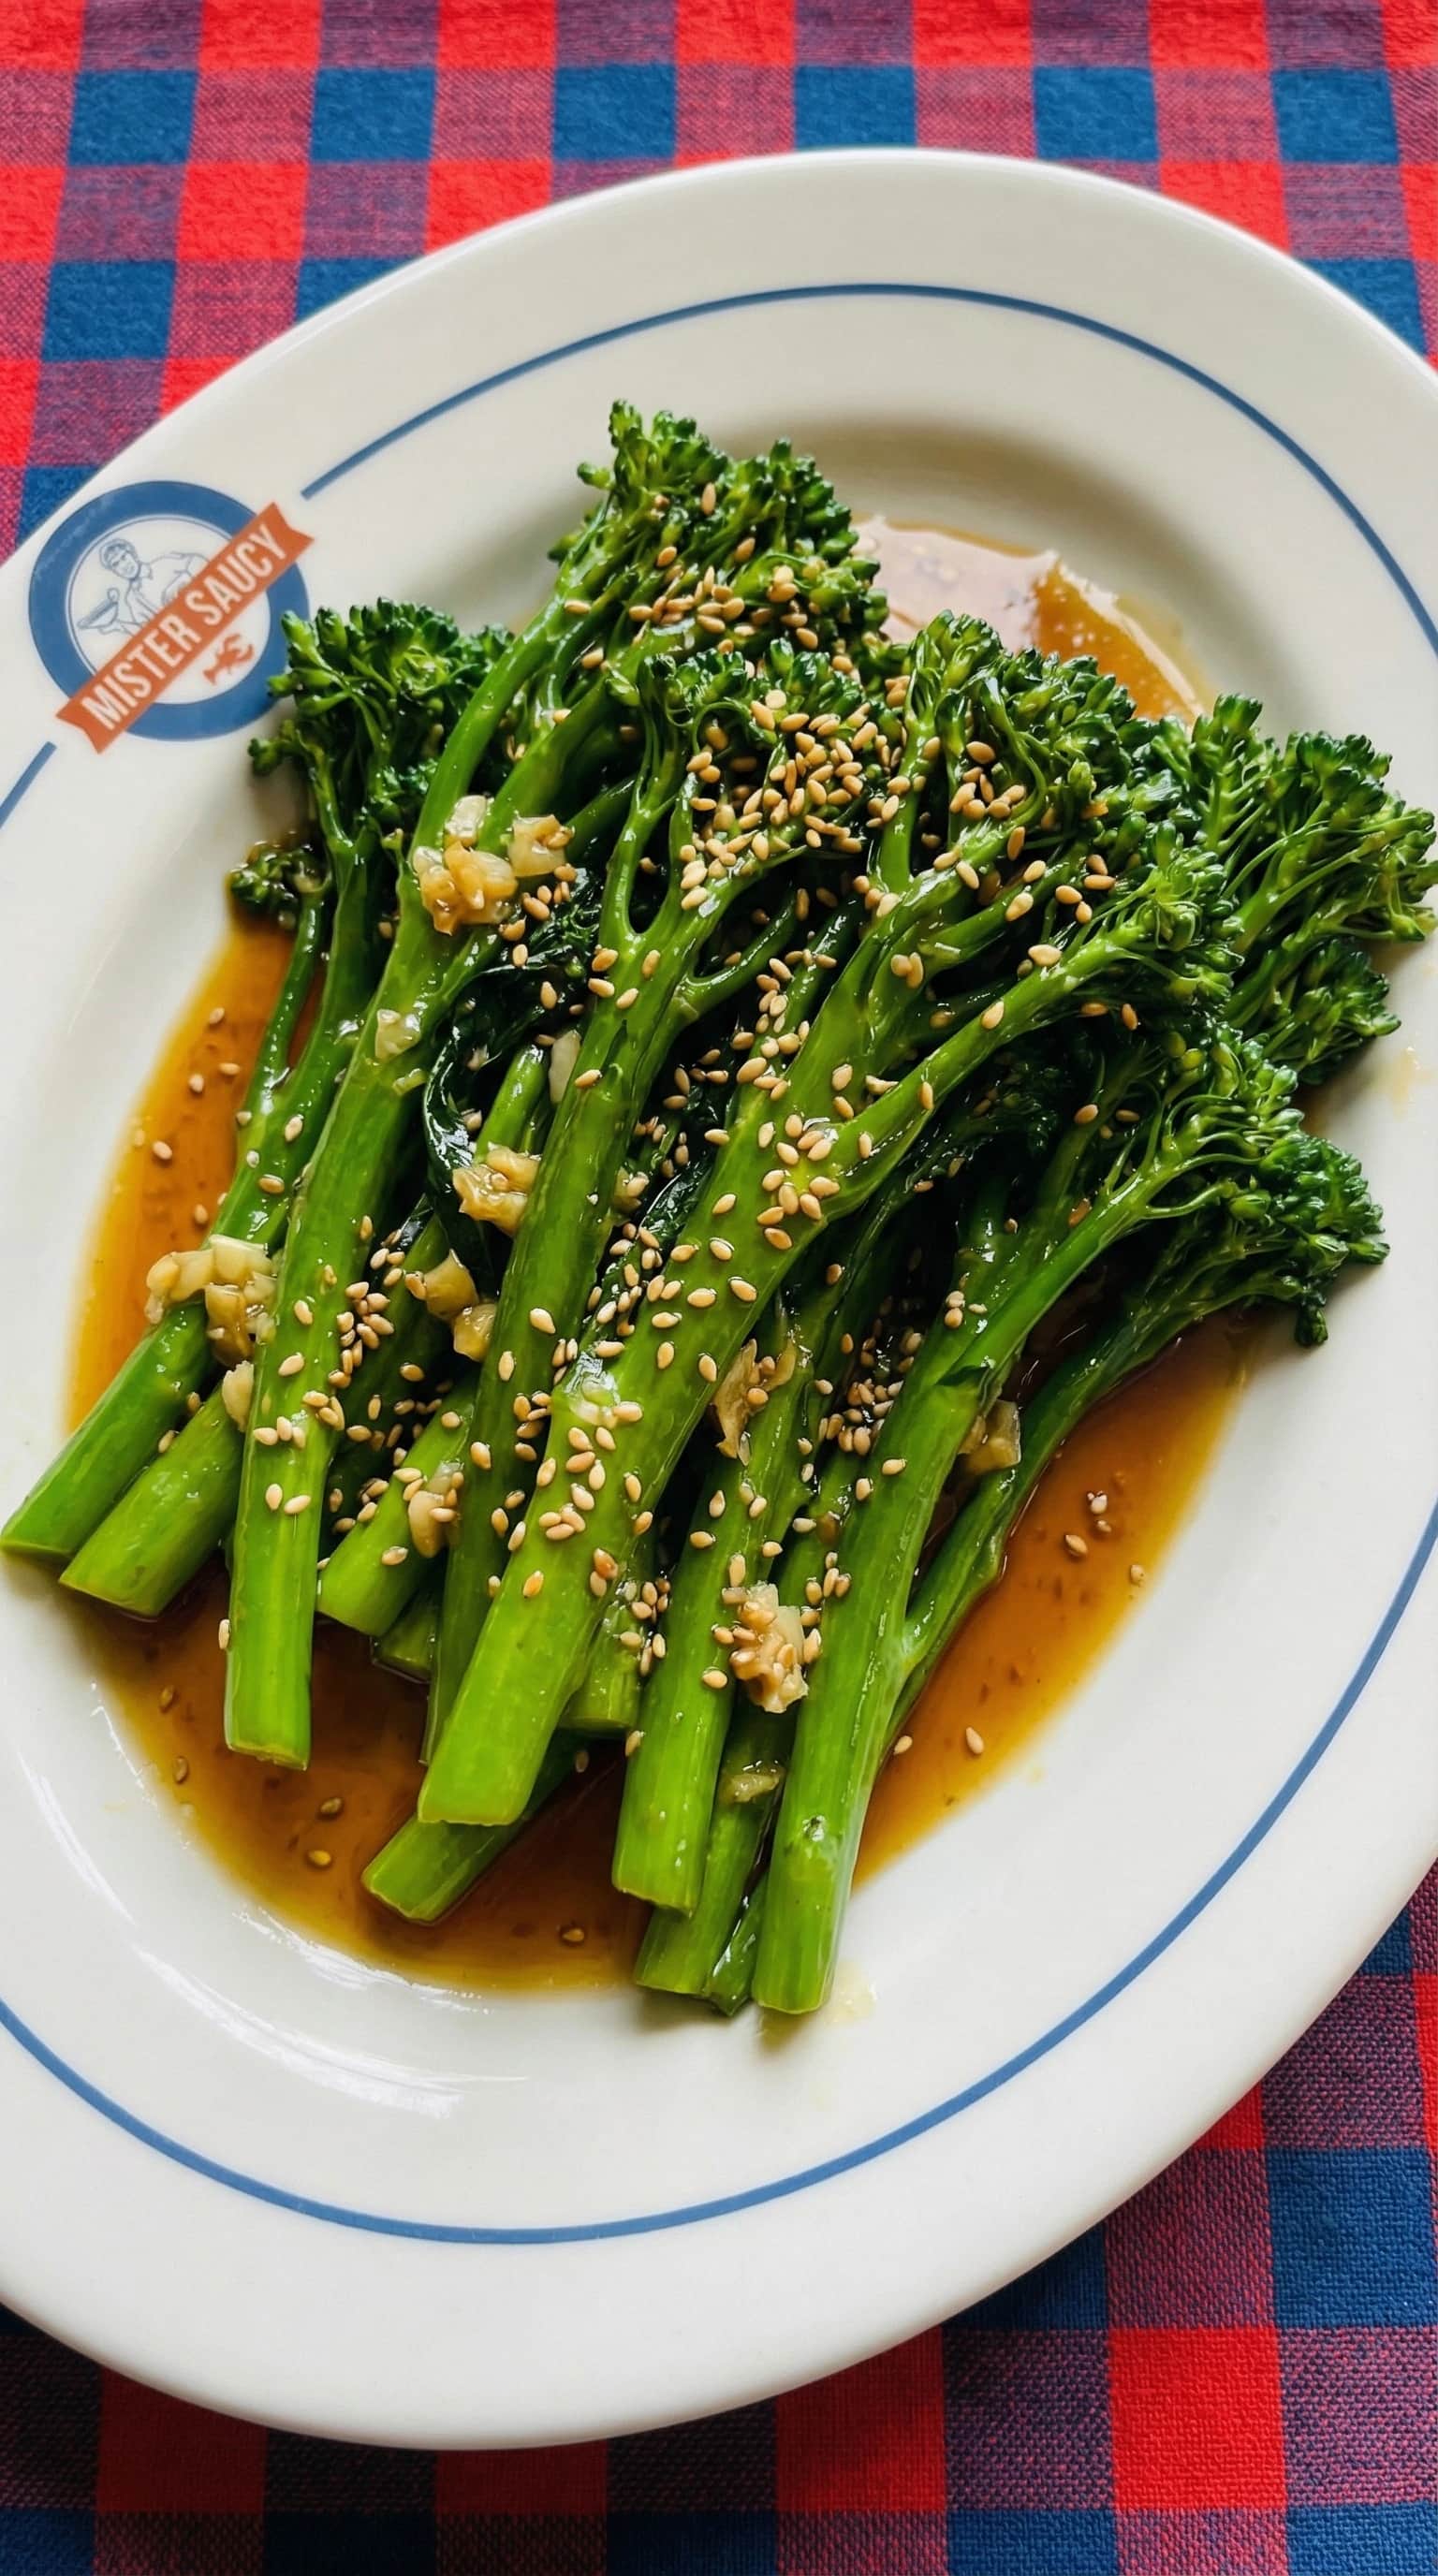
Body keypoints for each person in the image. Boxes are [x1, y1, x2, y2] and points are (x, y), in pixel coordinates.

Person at [76, 535, 207, 640]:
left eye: (124, 557)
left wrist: (185, 588)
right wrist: (119, 626)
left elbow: (200, 562)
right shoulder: (132, 599)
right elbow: (150, 632)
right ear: (114, 571)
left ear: (133, 554)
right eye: (116, 564)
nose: (124, 565)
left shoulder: (165, 562)